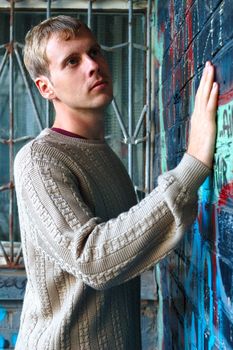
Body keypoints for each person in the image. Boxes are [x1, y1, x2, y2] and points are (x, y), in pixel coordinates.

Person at [14, 15, 218, 350]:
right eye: (72, 61)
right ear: (45, 87)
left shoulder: (104, 155)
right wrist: (192, 165)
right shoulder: (39, 159)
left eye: (94, 51)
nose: (92, 65)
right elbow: (93, 260)